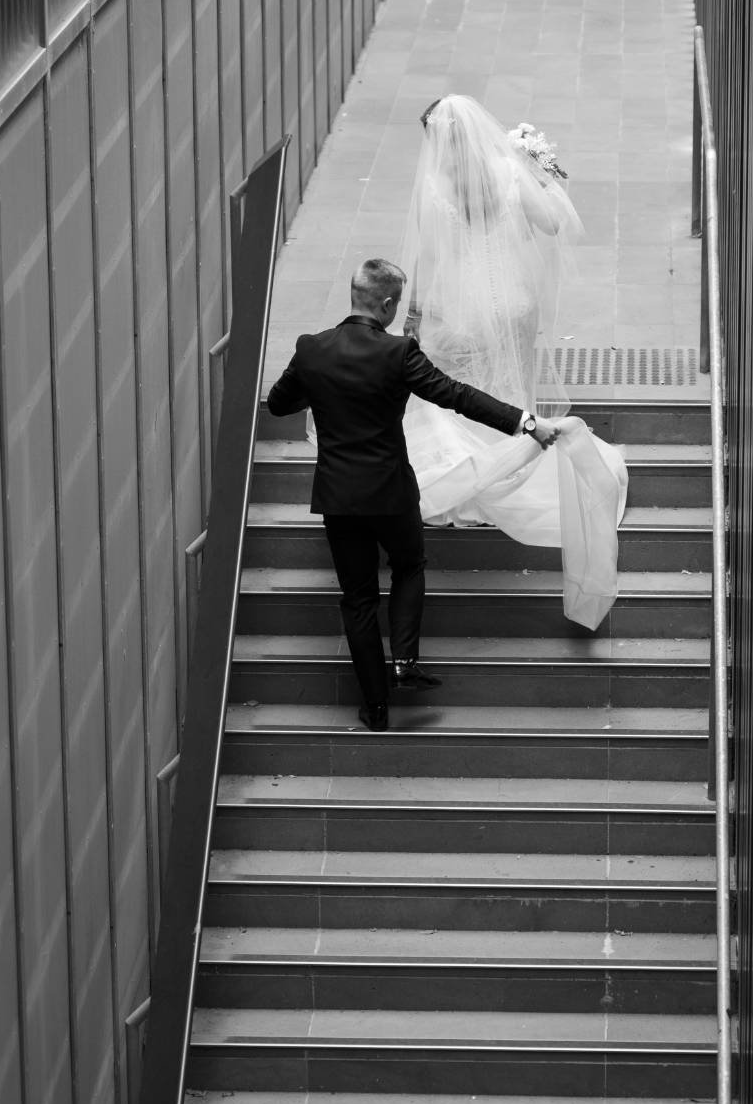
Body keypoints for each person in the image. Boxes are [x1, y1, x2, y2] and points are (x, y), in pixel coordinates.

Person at [265, 257, 560, 731]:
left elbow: (279, 404)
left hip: (339, 498)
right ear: (386, 304)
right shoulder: (398, 353)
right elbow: (457, 395)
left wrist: (320, 388)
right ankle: (404, 662)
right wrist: (526, 422)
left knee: (357, 598)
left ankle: (375, 707)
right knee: (408, 565)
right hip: (390, 493)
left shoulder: (311, 349)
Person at [398, 94, 629, 629]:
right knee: (511, 388)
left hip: (458, 305)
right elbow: (552, 224)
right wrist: (540, 172)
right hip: (514, 300)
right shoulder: (506, 171)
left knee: (462, 392)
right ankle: (514, 470)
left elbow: (427, 254)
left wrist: (415, 312)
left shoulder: (434, 187)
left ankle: (470, 484)